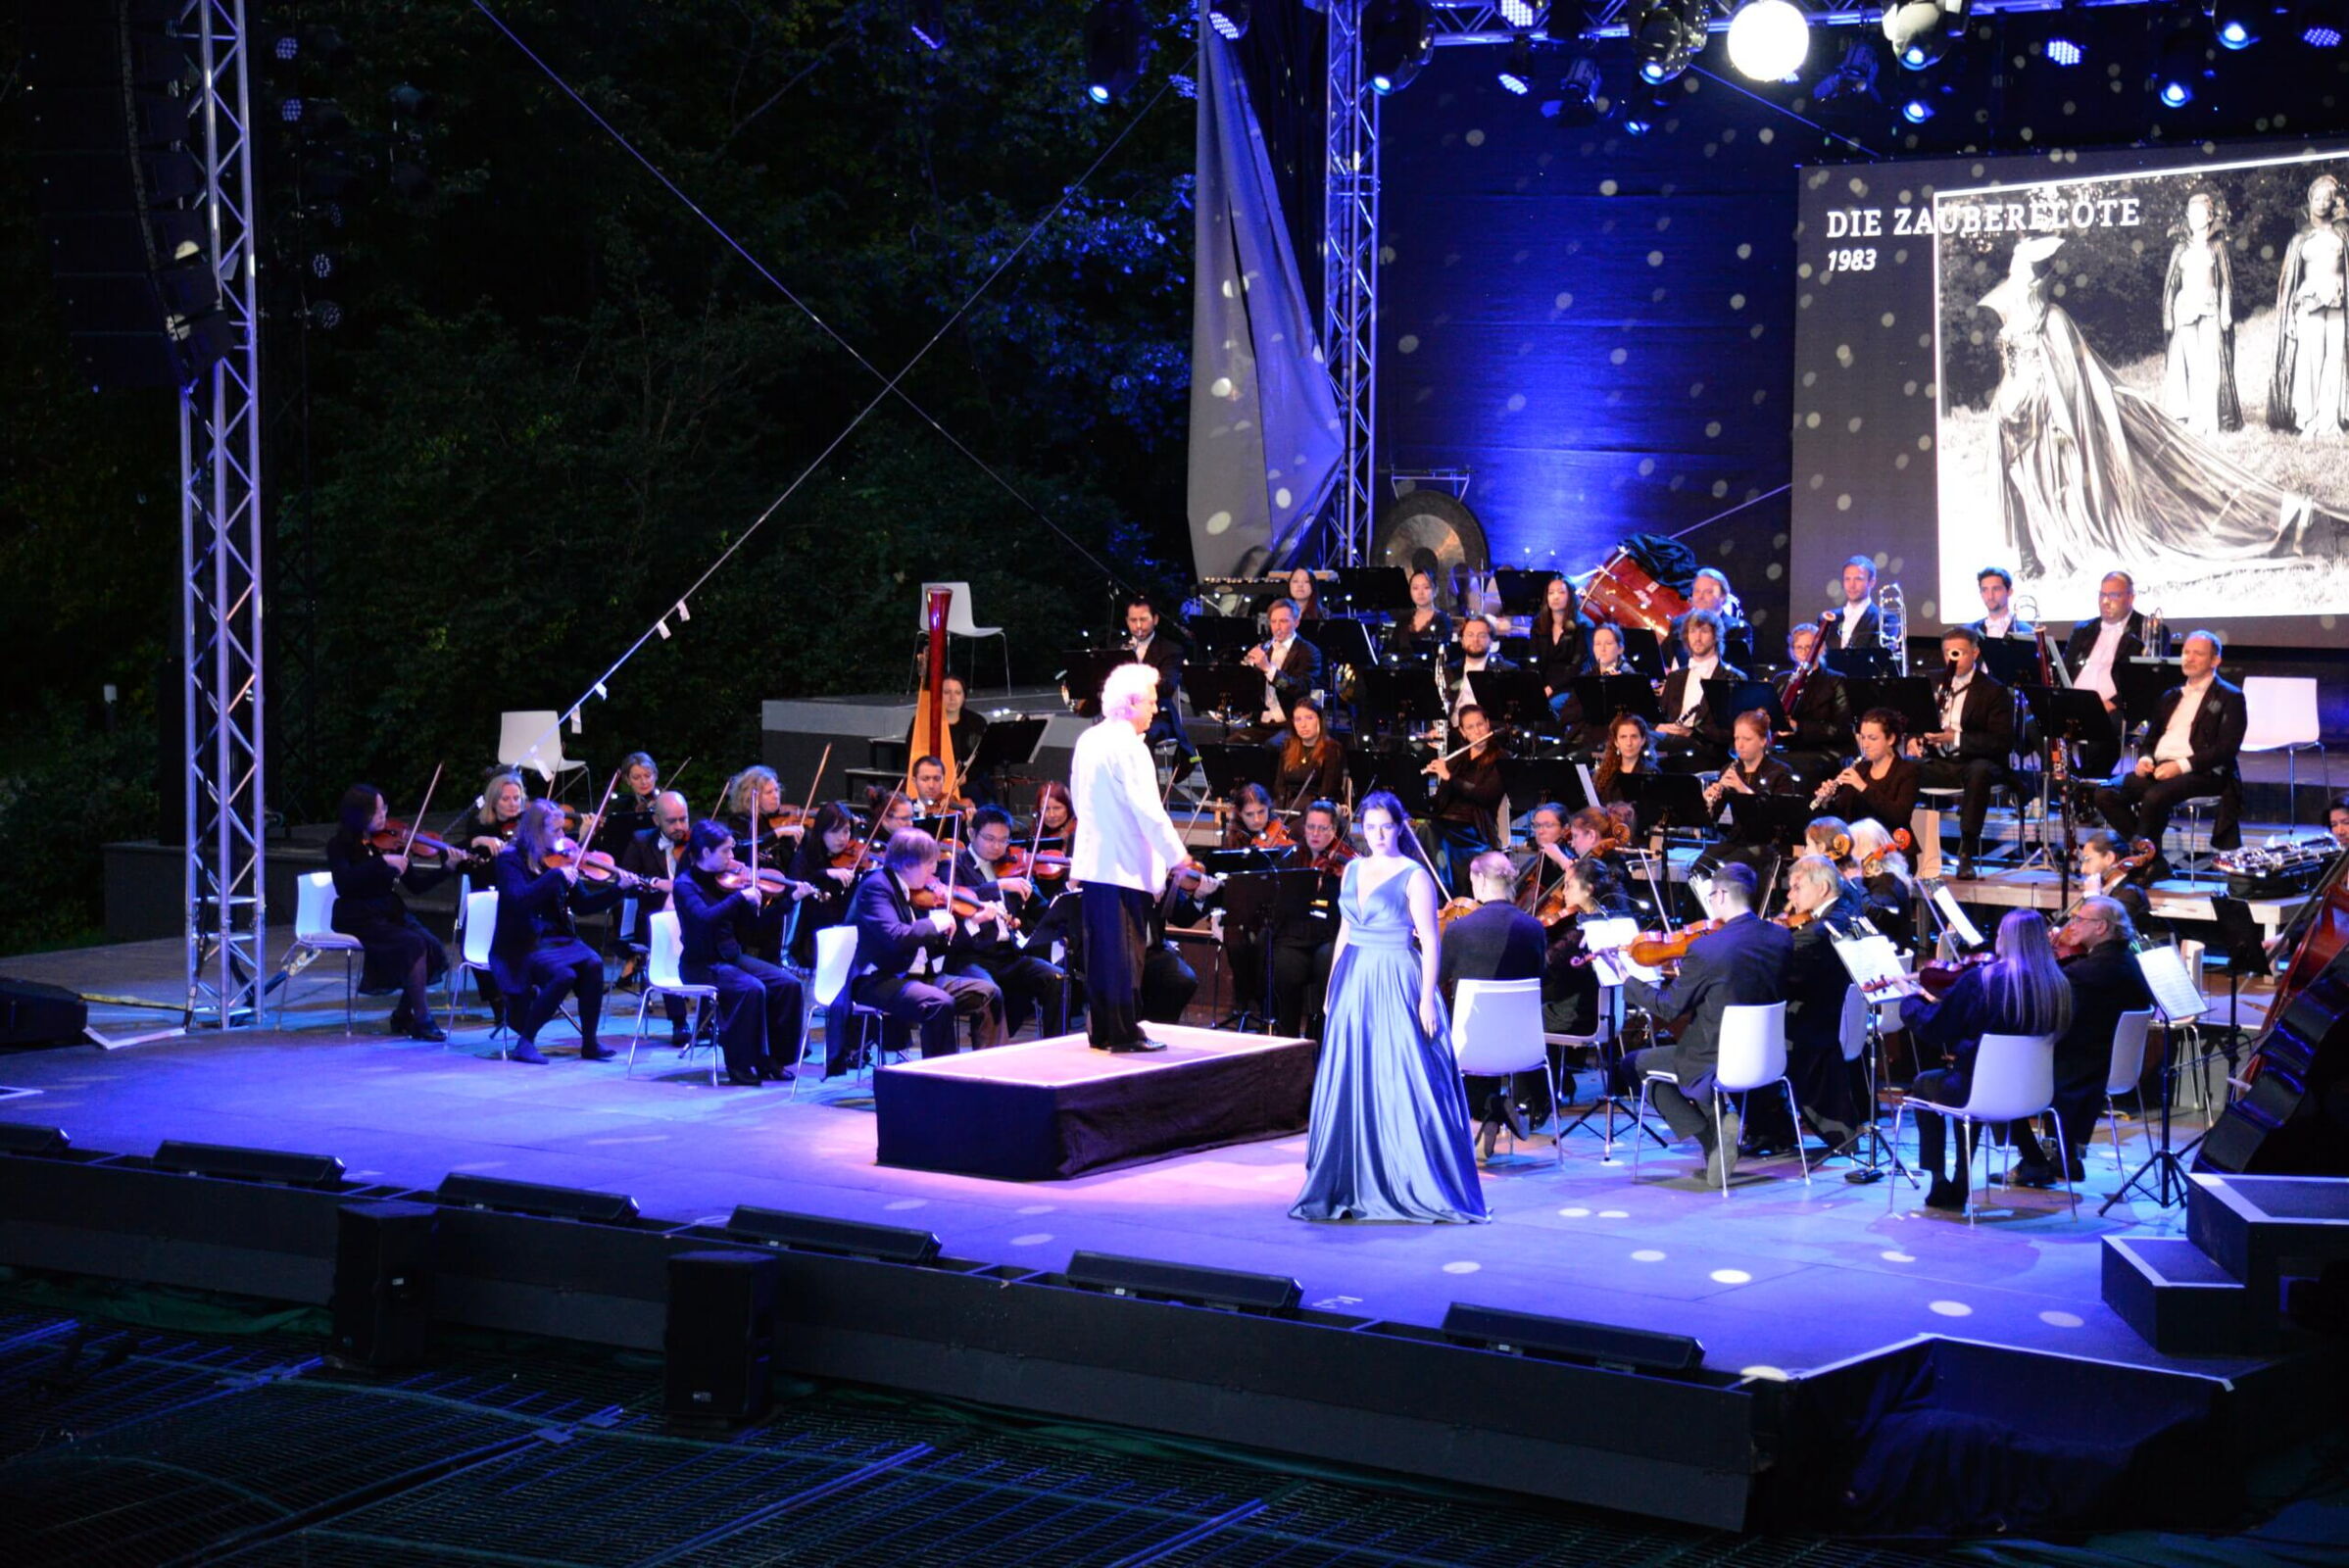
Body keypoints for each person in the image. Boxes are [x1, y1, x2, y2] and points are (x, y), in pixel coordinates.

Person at [1984, 233, 2348, 579]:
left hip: (2046, 414)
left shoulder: (2053, 319)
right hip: (2014, 413)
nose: (2016, 276)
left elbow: (2072, 377)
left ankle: (2060, 548)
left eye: (2022, 270)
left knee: (2055, 482)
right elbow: (2014, 366)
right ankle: (2034, 557)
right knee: (2025, 482)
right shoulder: (2012, 316)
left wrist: (2072, 415)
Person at [1290, 791, 1489, 1224]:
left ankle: (1410, 1177)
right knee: (1353, 1074)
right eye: (1370, 827)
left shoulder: (1414, 876)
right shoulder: (1352, 869)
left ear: (1399, 828)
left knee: (1402, 1074)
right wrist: (1331, 986)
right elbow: (1345, 930)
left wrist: (1426, 997)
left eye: (1385, 827)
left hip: (1397, 976)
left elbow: (1430, 940)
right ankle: (1351, 1177)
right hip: (1354, 977)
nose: (1377, 835)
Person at [1621, 861, 1791, 1184]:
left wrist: (1629, 982)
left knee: (1633, 1065)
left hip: (1714, 1056)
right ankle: (1718, 1135)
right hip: (1766, 1056)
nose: (1711, 902)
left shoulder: (1706, 948)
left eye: (1711, 896)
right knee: (1674, 1058)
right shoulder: (1781, 938)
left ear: (1722, 894)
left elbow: (1669, 1007)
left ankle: (1713, 1137)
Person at [1901, 909, 2074, 1211]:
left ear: (2005, 938)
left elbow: (1935, 1027)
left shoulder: (1983, 980)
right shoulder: (2057, 984)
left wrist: (1911, 1000)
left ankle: (1940, 1180)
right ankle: (1961, 1178)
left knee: (1925, 1084)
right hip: (2033, 1093)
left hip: (1978, 1090)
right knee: (1965, 1080)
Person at [1071, 662, 1196, 1052]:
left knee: (1100, 953)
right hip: (1123, 865)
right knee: (1125, 956)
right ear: (1130, 703)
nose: (1156, 709)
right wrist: (1178, 857)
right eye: (1151, 702)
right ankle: (1125, 1033)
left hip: (1095, 863)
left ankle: (1102, 1030)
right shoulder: (1130, 748)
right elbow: (1149, 812)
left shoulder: (1089, 739)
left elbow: (1078, 800)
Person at [829, 826, 1003, 1074]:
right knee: (938, 1002)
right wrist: (935, 923)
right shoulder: (876, 887)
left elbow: (935, 946)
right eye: (929, 863)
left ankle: (992, 1070)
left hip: (917, 975)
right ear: (908, 863)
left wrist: (972, 923)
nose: (934, 870)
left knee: (989, 992)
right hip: (879, 978)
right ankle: (940, 1078)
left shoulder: (915, 890)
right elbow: (895, 936)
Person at [2011, 896, 2156, 1189]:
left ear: (2101, 927)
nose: (2071, 925)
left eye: (2079, 920)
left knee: (1999, 1069)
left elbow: (2051, 1001)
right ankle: (2063, 1155)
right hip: (2106, 1061)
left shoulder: (2093, 970)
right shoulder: (2124, 960)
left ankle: (2036, 1159)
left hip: (2085, 1064)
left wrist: (2039, 960)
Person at [1742, 854, 1864, 1156]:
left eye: (1797, 887)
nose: (1790, 896)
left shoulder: (1819, 931)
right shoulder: (1845, 909)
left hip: (1815, 1024)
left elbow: (1788, 971)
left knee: (1744, 1040)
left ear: (1822, 888)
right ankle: (1773, 1128)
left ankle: (1772, 1129)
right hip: (1832, 1016)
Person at [2093, 630, 2247, 863]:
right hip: (2161, 768)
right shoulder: (2171, 696)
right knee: (2106, 793)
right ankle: (2150, 857)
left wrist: (2180, 766)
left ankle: (2143, 861)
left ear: (2215, 660)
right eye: (2186, 652)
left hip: (2203, 772)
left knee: (2155, 796)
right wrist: (2146, 759)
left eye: (2198, 654)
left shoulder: (2230, 697)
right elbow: (2151, 739)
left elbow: (2227, 749)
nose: (2189, 658)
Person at [672, 820, 807, 1085]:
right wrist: (739, 898)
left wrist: (789, 901)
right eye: (726, 851)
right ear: (706, 853)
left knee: (787, 984)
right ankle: (740, 1064)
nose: (733, 857)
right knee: (751, 989)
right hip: (700, 964)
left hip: (730, 958)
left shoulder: (727, 883)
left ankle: (773, 1060)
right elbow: (704, 918)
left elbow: (754, 925)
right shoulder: (685, 885)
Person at [1439, 850, 1552, 1159]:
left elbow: (1437, 979)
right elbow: (1541, 978)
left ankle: (1488, 1107)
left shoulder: (1459, 929)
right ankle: (1496, 1106)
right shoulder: (1534, 928)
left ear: (1479, 880)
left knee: (1445, 1031)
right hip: (1524, 1046)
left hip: (1471, 1046)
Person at [489, 799, 621, 1065]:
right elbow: (518, 901)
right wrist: (555, 877)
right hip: (523, 941)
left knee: (594, 963)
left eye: (563, 830)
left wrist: (618, 890)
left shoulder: (559, 860)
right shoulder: (510, 860)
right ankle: (526, 1042)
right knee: (564, 974)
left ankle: (590, 1042)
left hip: (556, 937)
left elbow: (583, 905)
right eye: (556, 830)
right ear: (537, 831)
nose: (562, 836)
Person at [324, 784, 455, 1042]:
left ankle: (403, 1014)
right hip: (357, 914)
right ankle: (423, 1019)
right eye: (377, 811)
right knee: (413, 943)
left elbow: (416, 886)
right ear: (360, 814)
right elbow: (344, 883)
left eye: (384, 808)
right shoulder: (339, 845)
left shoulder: (389, 844)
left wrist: (447, 868)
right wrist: (381, 862)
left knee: (432, 946)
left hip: (388, 910)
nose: (383, 815)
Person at [954, 806, 1071, 1040]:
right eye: (990, 839)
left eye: (1003, 840)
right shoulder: (955, 866)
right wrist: (999, 885)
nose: (997, 847)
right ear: (971, 834)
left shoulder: (1014, 867)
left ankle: (1053, 1048)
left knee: (1058, 978)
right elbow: (958, 894)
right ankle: (989, 1053)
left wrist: (1068, 890)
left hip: (1009, 956)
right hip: (970, 957)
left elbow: (1044, 910)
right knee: (990, 991)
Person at [1913, 626, 2016, 878]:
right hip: (1941, 761)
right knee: (1901, 767)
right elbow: (1914, 719)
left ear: (1975, 653)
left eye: (1959, 652)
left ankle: (1966, 852)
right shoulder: (1932, 682)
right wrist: (1913, 739)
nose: (1953, 659)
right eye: (1948, 652)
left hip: (1977, 761)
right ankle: (1903, 845)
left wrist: (1955, 738)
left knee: (1979, 772)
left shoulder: (1994, 691)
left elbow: (2001, 742)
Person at [2272, 172, 2349, 438]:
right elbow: (2289, 279)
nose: (2322, 203)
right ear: (2310, 200)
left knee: (2335, 358)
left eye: (2327, 199)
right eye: (2317, 198)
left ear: (2333, 202)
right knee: (2311, 359)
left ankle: (2330, 421)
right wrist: (2289, 317)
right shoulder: (2300, 237)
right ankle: (2309, 420)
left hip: (2338, 300)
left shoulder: (2342, 233)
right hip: (2309, 300)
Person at [618, 789, 696, 1045]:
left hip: (694, 914)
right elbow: (629, 880)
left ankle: (709, 1020)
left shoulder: (698, 842)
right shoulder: (641, 841)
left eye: (683, 819)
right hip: (655, 918)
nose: (679, 827)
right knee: (667, 939)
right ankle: (679, 1021)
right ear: (656, 820)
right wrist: (654, 883)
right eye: (672, 821)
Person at [2162, 189, 2241, 438]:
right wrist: (2168, 315)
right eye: (2191, 213)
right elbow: (2171, 284)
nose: (2195, 218)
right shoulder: (2180, 249)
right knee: (2192, 365)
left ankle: (2211, 418)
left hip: (2209, 308)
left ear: (2209, 217)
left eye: (2200, 213)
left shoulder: (2217, 247)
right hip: (2185, 309)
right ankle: (2195, 417)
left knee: (2210, 363)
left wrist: (2226, 309)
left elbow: (2226, 282)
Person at [2063, 571, 2154, 779]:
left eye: (2114, 595)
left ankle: (2088, 783)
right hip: (2075, 702)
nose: (2106, 601)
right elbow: (2065, 668)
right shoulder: (2084, 629)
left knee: (2101, 727)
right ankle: (2071, 779)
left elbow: (2146, 680)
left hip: (2116, 707)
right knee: (2034, 725)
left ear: (2131, 597)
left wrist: (2114, 702)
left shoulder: (2147, 629)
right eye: (2102, 595)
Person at [1423, 704, 1506, 896]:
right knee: (1420, 828)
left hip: (1474, 827)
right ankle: (1430, 891)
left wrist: (1449, 777)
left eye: (1480, 724)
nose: (1477, 731)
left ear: (1487, 724)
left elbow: (1485, 796)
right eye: (1470, 727)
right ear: (1462, 732)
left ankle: (1443, 893)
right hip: (1446, 821)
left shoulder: (1501, 759)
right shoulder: (1458, 758)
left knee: (1429, 832)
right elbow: (1440, 798)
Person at [1654, 608, 1741, 767]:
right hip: (1673, 745)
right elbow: (1660, 716)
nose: (1697, 637)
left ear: (1716, 636)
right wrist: (1660, 726)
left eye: (1704, 631)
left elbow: (1732, 730)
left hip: (1709, 751)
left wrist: (1692, 732)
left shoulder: (1732, 678)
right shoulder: (1675, 677)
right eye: (1692, 631)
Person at [1813, 708, 1920, 831]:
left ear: (1890, 739)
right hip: (1857, 839)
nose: (1865, 745)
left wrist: (1863, 787)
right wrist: (1827, 802)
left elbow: (1899, 816)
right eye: (1863, 738)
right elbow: (1842, 817)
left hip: (1892, 840)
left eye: (1872, 738)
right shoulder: (1860, 769)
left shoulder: (1907, 771)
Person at [787, 801, 864, 966]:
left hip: (842, 931)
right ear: (821, 831)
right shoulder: (804, 857)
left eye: (846, 831)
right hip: (810, 933)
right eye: (834, 831)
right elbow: (793, 889)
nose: (842, 838)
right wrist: (825, 873)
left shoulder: (851, 860)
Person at [1773, 621, 1851, 785]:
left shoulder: (1836, 680)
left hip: (1824, 751)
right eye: (1799, 647)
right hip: (1788, 747)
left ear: (1821, 648)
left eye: (1809, 647)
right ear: (1792, 651)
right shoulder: (1782, 680)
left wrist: (1798, 727)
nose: (1804, 652)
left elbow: (1841, 729)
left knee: (1785, 766)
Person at [1123, 595, 1195, 764]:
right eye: (1133, 620)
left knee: (1141, 737)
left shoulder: (1171, 649)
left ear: (1155, 619)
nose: (1138, 626)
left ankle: (1146, 782)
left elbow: (1167, 686)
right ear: (1127, 621)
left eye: (1143, 620)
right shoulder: (1117, 647)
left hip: (1158, 714)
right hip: (1122, 713)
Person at [1241, 598, 1321, 738]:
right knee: (1231, 744)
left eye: (1283, 621)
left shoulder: (1308, 652)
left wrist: (1268, 669)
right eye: (1273, 621)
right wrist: (1247, 671)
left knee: (1271, 746)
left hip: (1290, 723)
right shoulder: (1265, 648)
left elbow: (1300, 689)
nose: (1277, 627)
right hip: (1262, 721)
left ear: (1296, 622)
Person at [1527, 575, 1585, 724]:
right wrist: (1535, 687)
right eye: (1551, 592)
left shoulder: (1582, 625)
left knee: (1548, 707)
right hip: (1544, 685)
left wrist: (1551, 688)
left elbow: (1577, 667)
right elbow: (1533, 660)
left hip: (1568, 686)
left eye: (1561, 592)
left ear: (1570, 596)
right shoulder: (1538, 625)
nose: (1555, 597)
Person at [1270, 700, 1345, 806]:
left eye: (1309, 718)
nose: (1303, 725)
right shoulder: (1287, 746)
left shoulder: (1332, 748)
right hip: (1288, 805)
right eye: (1298, 719)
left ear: (1320, 720)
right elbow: (1279, 785)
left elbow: (1327, 791)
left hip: (1316, 807)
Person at [1444, 614, 1516, 723]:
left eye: (1482, 635)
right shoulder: (1449, 670)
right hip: (1454, 727)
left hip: (1487, 728)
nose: (1475, 640)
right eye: (1470, 635)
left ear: (1491, 641)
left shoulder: (1506, 670)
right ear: (1462, 640)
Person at [1819, 556, 1880, 662]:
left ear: (1872, 582)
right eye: (1847, 579)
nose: (1851, 585)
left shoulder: (1884, 618)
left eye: (1858, 579)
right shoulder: (1827, 618)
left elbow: (1879, 657)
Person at [1387, 569, 1452, 662]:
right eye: (1415, 588)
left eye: (1426, 587)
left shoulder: (1443, 620)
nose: (1420, 593)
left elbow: (1443, 653)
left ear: (1435, 590)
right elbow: (1391, 650)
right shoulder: (1404, 619)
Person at [1593, 711, 1656, 806]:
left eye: (1634, 737)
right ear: (1616, 742)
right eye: (1623, 737)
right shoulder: (1605, 772)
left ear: (1643, 740)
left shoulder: (1651, 773)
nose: (1629, 743)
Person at [1969, 565, 2036, 645]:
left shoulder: (2028, 632)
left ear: (2009, 591)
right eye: (1985, 590)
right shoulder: (1968, 632)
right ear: (1981, 594)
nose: (1990, 596)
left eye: (1996, 589)